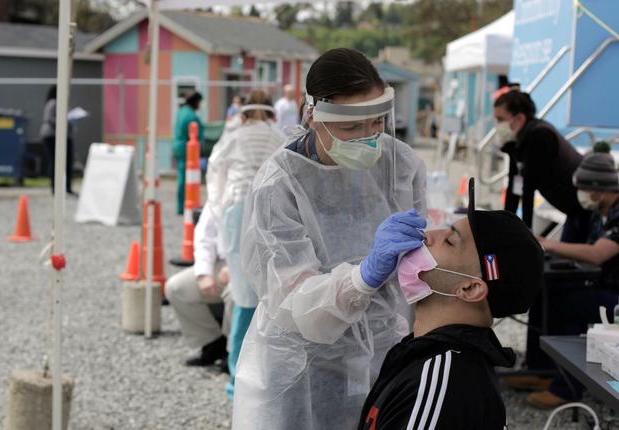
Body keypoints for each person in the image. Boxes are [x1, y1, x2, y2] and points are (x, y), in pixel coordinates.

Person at [232, 48, 427, 430]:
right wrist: (364, 275)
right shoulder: (279, 184)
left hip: (383, 353)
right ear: (312, 116)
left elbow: (417, 258)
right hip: (301, 363)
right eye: (352, 127)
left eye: (375, 122)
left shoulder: (399, 165)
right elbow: (293, 300)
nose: (369, 138)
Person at [358, 178, 544, 430]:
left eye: (449, 240)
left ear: (470, 287)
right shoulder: (429, 354)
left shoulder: (440, 381)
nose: (427, 235)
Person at [204, 90, 285, 399]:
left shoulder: (234, 137)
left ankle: (237, 376)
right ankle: (267, 370)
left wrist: (219, 207)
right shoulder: (278, 136)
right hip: (271, 210)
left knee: (242, 293)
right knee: (271, 289)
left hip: (238, 209)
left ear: (245, 112)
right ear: (270, 111)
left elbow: (215, 173)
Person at [529, 143, 619, 408]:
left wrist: (548, 243)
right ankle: (543, 370)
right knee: (547, 293)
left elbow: (597, 254)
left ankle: (567, 388)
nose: (580, 194)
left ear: (598, 190)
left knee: (571, 307)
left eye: (583, 188)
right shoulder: (599, 212)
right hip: (606, 286)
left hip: (616, 297)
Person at [493, 90, 590, 242]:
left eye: (500, 119)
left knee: (576, 257)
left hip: (585, 207)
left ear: (519, 118)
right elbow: (515, 186)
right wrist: (505, 227)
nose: (497, 125)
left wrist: (525, 234)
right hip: (573, 208)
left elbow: (528, 187)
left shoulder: (540, 137)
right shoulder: (518, 141)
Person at [165, 203, 231, 372]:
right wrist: (204, 273)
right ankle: (213, 343)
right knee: (177, 288)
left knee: (236, 293)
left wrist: (237, 267)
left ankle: (235, 352)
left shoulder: (258, 187)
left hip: (251, 266)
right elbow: (204, 237)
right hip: (221, 263)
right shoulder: (218, 189)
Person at [173, 90, 205, 215]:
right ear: (195, 102)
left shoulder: (181, 112)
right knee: (186, 179)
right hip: (187, 150)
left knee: (182, 177)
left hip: (179, 147)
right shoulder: (191, 116)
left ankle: (182, 205)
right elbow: (197, 135)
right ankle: (185, 206)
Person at [40, 85, 75, 195]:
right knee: (55, 161)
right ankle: (55, 188)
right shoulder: (53, 103)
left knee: (68, 161)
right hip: (52, 135)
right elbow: (49, 119)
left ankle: (67, 187)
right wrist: (63, 122)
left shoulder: (64, 104)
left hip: (66, 135)